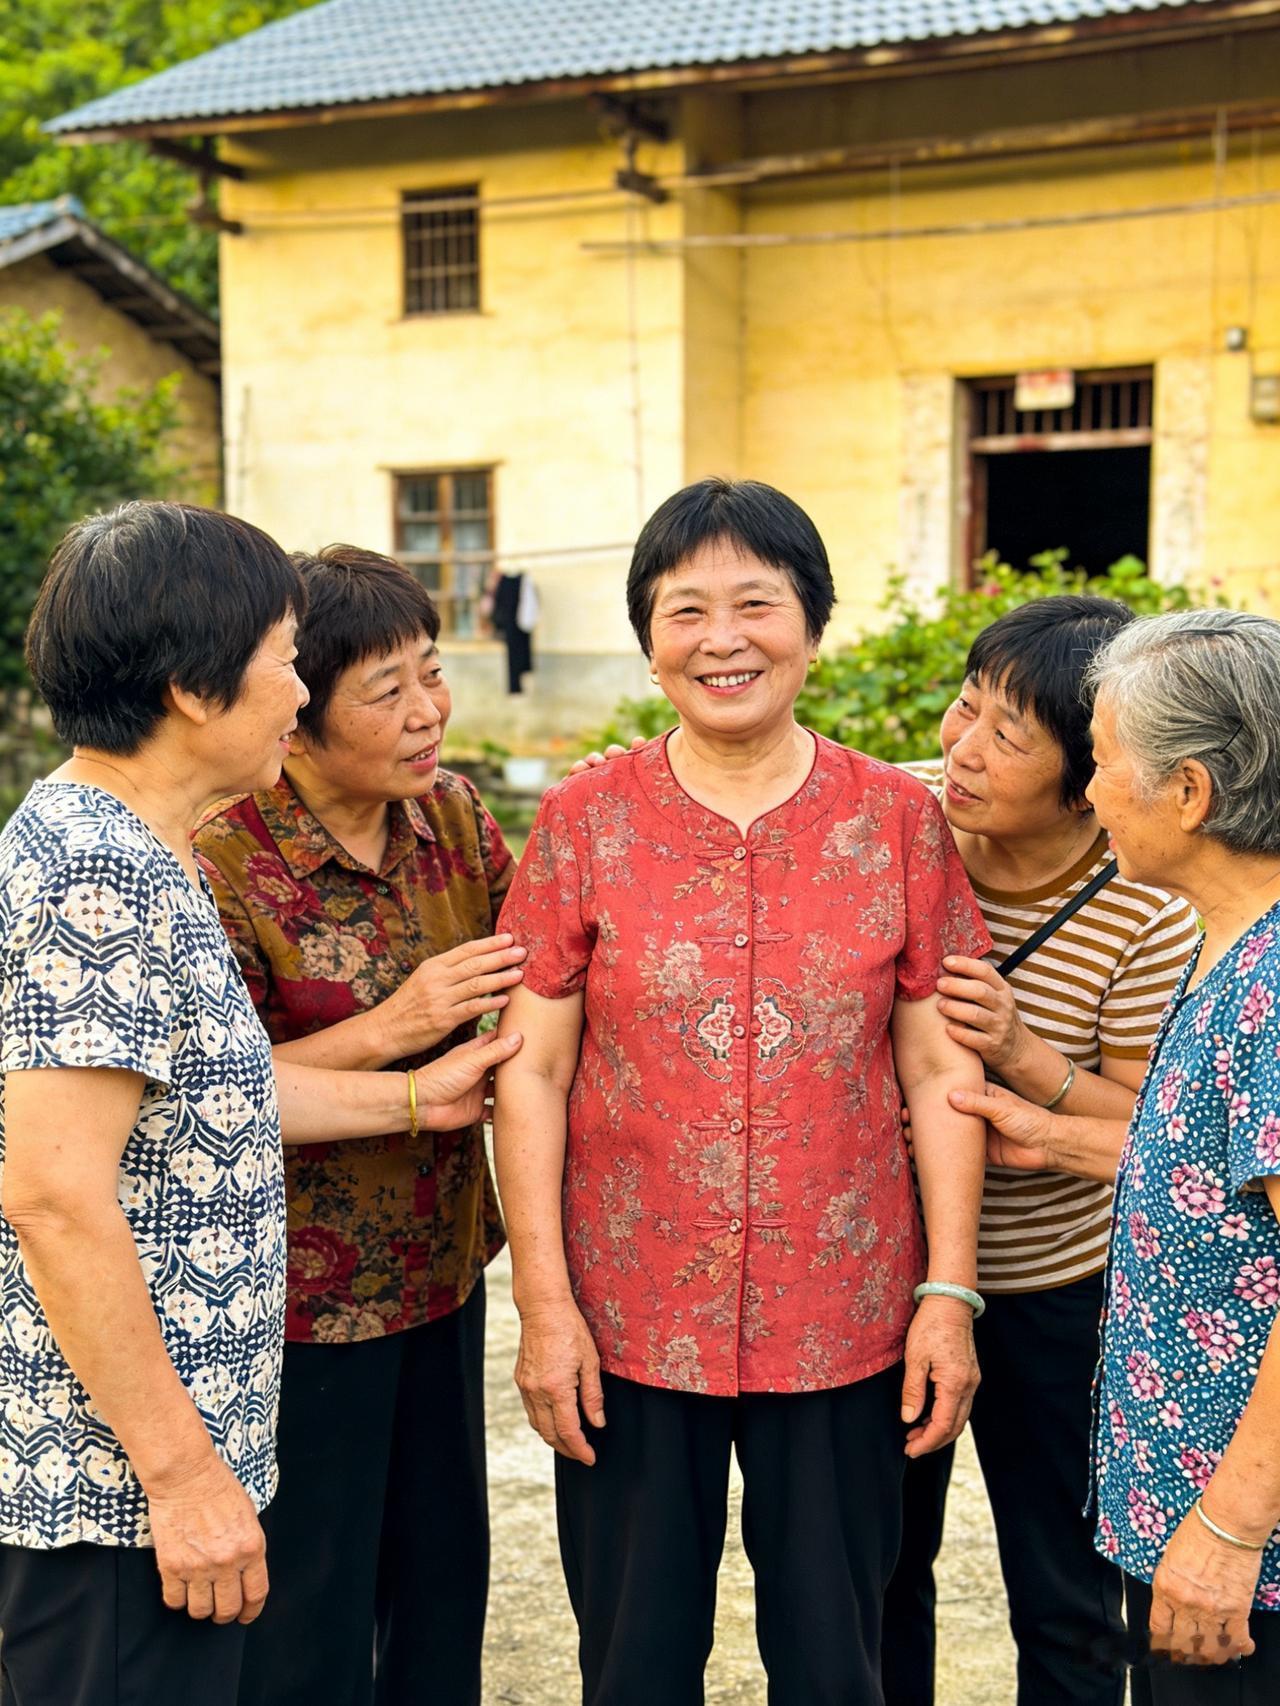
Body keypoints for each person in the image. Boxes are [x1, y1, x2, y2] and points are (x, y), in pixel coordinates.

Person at [0, 505, 517, 1706]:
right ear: (193, 688)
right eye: (285, 659)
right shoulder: (96, 870)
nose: (297, 690)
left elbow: (204, 1097)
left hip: (164, 1470)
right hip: (115, 1494)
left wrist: (414, 1094)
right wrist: (183, 1478)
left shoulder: (145, 844)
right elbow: (53, 1194)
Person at [493, 476, 993, 1706]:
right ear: (648, 640)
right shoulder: (584, 820)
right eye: (685, 610)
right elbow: (533, 1067)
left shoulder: (896, 820)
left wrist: (946, 1294)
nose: (722, 638)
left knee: (836, 1660)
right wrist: (545, 1307)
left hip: (845, 1312)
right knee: (632, 1659)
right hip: (628, 1314)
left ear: (812, 623)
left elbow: (938, 1068)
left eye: (756, 603)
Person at [195, 545, 524, 1706]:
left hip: (441, 1271)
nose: (429, 710)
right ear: (297, 711)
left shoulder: (451, 815)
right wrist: (398, 1026)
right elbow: (204, 1090)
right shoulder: (222, 856)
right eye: (386, 690)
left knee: (440, 1588)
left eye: (431, 671)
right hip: (293, 1306)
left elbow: (550, 961)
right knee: (310, 1620)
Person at [879, 599, 1200, 1706]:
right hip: (892, 1277)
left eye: (1007, 735)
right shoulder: (894, 816)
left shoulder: (1146, 903)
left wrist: (1021, 1054)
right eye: (964, 707)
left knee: (1066, 1593)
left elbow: (1153, 1123)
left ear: (1086, 777)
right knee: (882, 1571)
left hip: (1059, 1289)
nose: (962, 750)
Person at [959, 608, 1280, 1702]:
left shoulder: (1270, 986)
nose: (1088, 792)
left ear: (1188, 792)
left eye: (1100, 762)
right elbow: (1214, 1175)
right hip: (1193, 1516)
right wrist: (1049, 1131)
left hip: (1243, 1551)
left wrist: (1231, 1528)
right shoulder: (1225, 939)